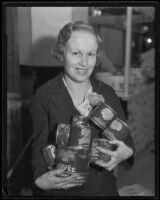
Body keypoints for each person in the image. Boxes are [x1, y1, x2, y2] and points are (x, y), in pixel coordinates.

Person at [30, 21, 135, 197]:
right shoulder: (44, 94)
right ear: (62, 52)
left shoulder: (107, 93)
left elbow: (125, 138)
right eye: (76, 53)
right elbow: (40, 143)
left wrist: (127, 152)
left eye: (91, 54)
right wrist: (40, 178)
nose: (84, 62)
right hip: (60, 190)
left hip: (102, 189)